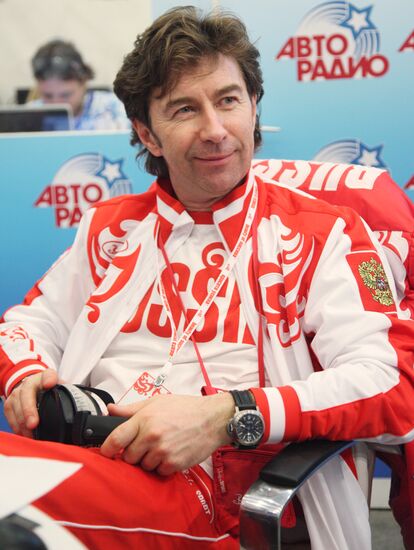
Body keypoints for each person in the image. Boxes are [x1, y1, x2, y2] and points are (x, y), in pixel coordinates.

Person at [1, 6, 413, 549]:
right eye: (184, 109)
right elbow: (28, 322)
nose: (215, 130)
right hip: (100, 460)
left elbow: (389, 383)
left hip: (225, 498)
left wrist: (227, 414)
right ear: (147, 134)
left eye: (228, 100)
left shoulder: (327, 232)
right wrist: (26, 373)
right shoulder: (110, 228)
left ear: (253, 106)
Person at [29, 39, 129, 131]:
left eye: (65, 95)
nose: (57, 103)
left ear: (83, 83)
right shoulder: (30, 115)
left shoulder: (116, 111)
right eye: (48, 96)